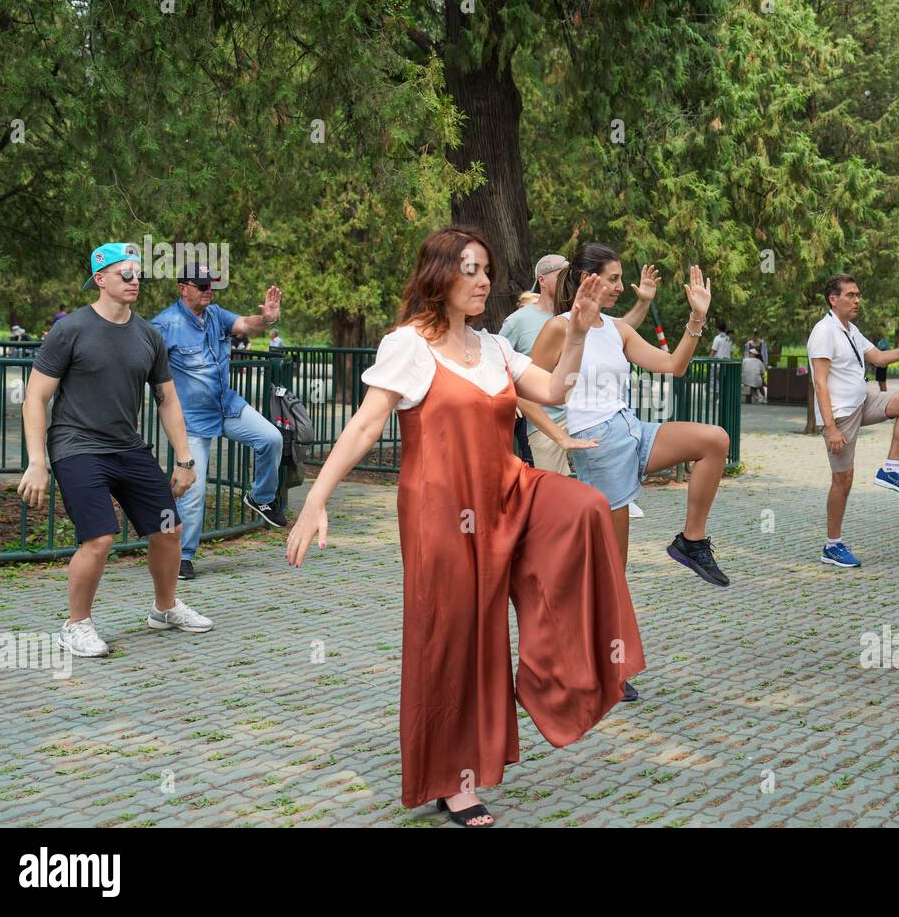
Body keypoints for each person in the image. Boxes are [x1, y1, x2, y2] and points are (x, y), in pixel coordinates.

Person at [285, 226, 643, 827]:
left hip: (506, 491)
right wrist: (316, 498)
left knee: (582, 509)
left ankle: (556, 671)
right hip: (440, 512)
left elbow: (554, 389)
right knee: (453, 642)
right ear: (440, 277)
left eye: (486, 271)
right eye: (470, 270)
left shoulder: (495, 348)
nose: (482, 281)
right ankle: (452, 781)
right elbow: (366, 426)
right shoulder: (408, 345)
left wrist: (577, 333)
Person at [17, 242, 213, 658]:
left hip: (128, 449)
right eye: (126, 273)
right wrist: (37, 461)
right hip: (78, 449)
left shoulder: (148, 335)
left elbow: (168, 399)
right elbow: (35, 398)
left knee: (169, 527)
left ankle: (164, 609)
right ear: (100, 279)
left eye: (138, 273)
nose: (135, 280)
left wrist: (184, 459)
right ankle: (76, 625)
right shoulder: (71, 330)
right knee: (100, 537)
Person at [532, 243, 731, 595]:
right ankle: (602, 640)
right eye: (614, 279)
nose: (622, 287)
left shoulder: (616, 328)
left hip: (631, 428)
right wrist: (559, 436)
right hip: (599, 443)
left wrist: (697, 317)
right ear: (586, 280)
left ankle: (691, 541)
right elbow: (522, 392)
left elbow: (674, 366)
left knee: (714, 439)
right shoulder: (558, 329)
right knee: (614, 569)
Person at [151, 263, 288, 580]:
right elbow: (141, 358)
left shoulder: (215, 315)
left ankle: (260, 498)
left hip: (227, 405)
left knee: (271, 438)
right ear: (182, 288)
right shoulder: (164, 325)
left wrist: (266, 319)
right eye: (201, 286)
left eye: (211, 285)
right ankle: (182, 556)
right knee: (194, 489)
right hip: (193, 420)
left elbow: (245, 325)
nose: (208, 290)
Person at [807, 273, 899, 569]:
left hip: (863, 401)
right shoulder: (824, 331)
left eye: (858, 294)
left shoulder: (850, 329)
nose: (857, 299)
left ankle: (890, 468)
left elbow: (881, 358)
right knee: (843, 480)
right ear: (833, 300)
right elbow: (820, 383)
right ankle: (832, 546)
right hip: (840, 415)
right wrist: (831, 427)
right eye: (850, 295)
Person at [499, 253, 660, 475]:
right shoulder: (520, 320)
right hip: (548, 424)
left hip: (587, 419)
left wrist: (643, 301)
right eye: (560, 274)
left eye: (569, 271)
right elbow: (502, 362)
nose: (567, 276)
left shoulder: (586, 314)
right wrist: (514, 399)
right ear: (542, 280)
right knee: (555, 496)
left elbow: (622, 330)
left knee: (600, 492)